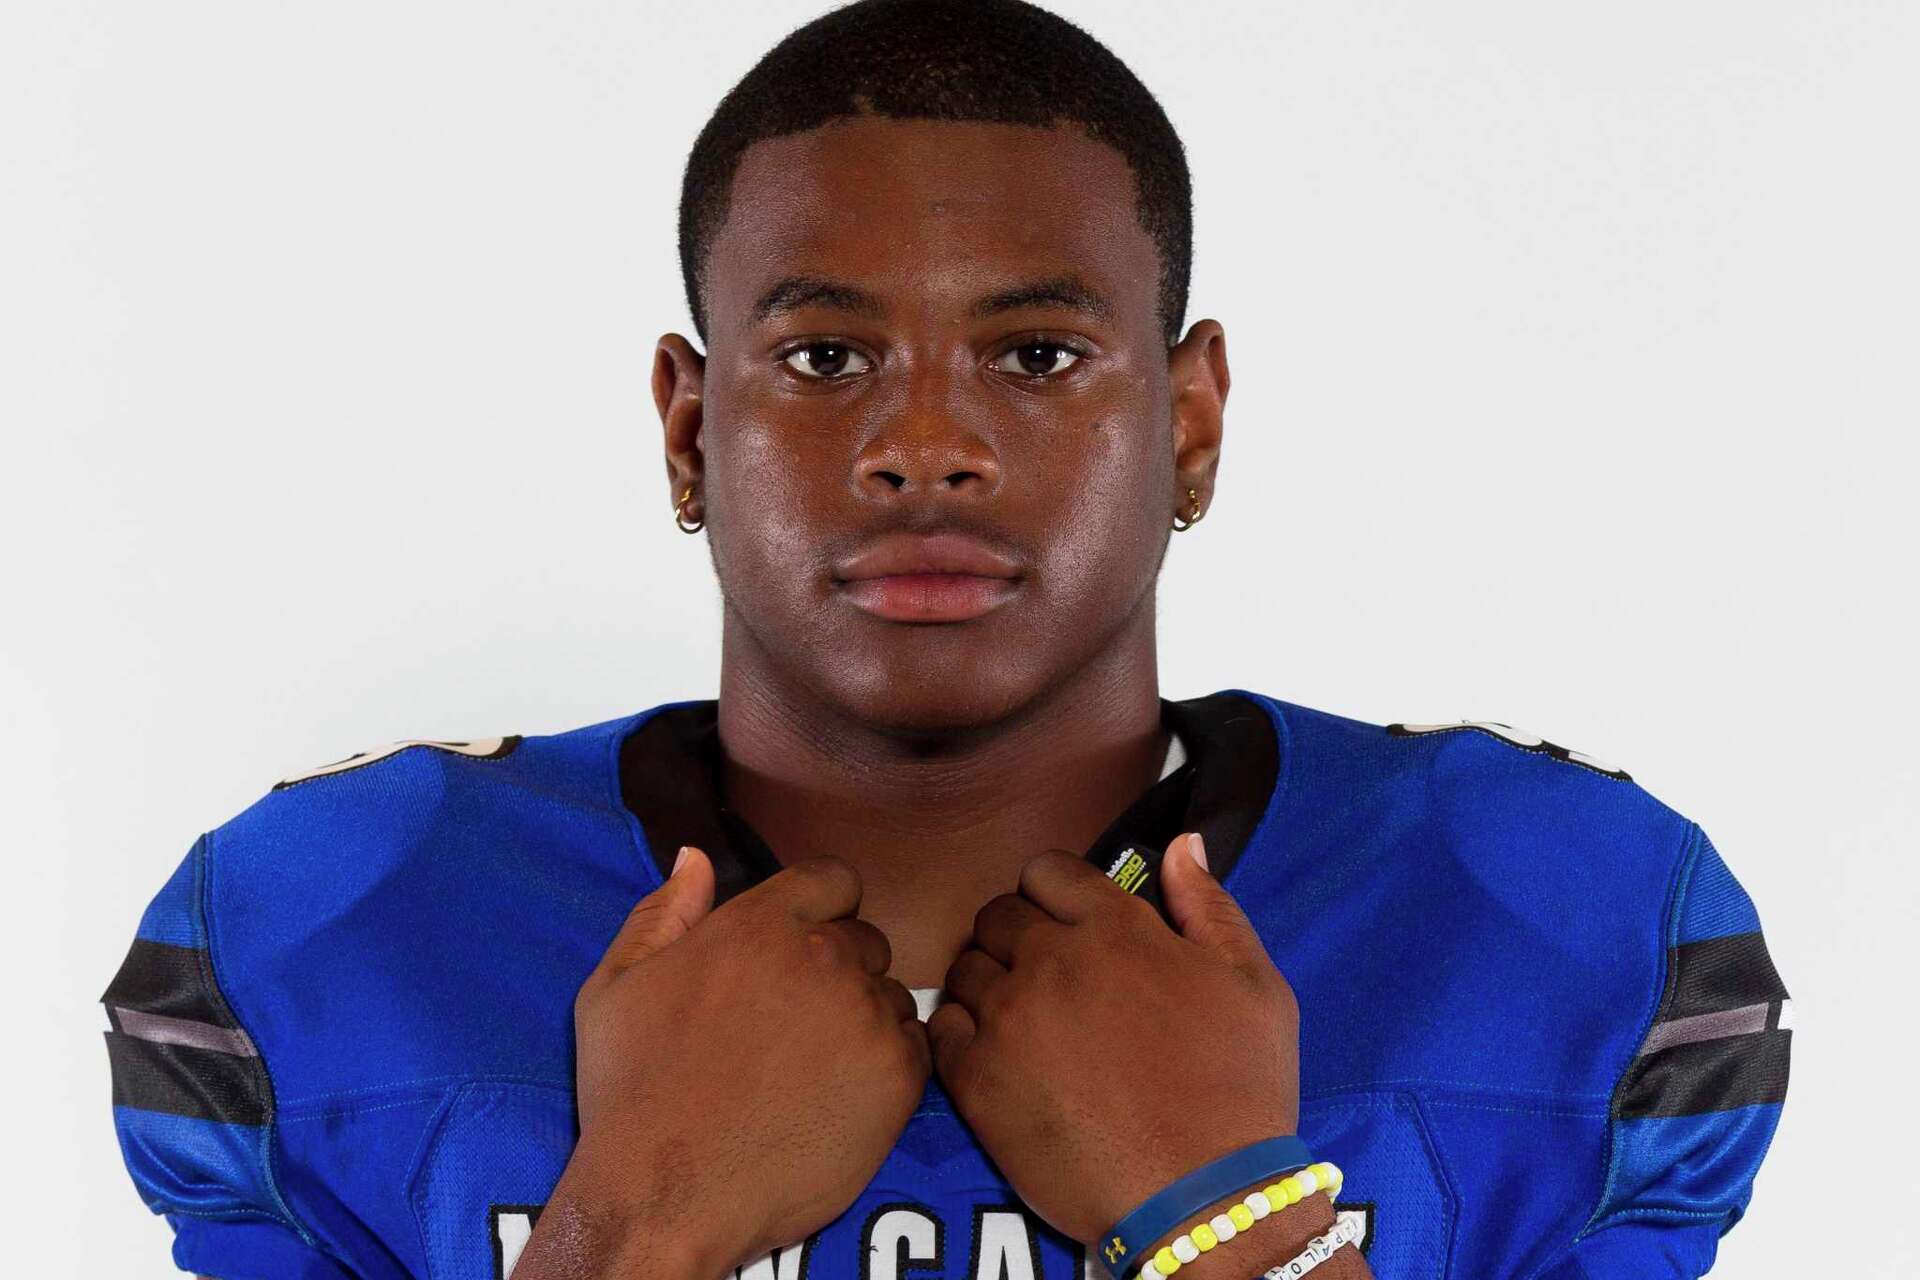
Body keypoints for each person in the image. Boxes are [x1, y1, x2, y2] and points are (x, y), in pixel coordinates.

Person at [99, 2, 1791, 1276]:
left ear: (1191, 421)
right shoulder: (331, 931)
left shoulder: (1551, 922)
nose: (926, 446)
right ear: (690, 429)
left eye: (1036, 356)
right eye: (826, 358)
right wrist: (638, 1225)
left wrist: (1218, 1221)